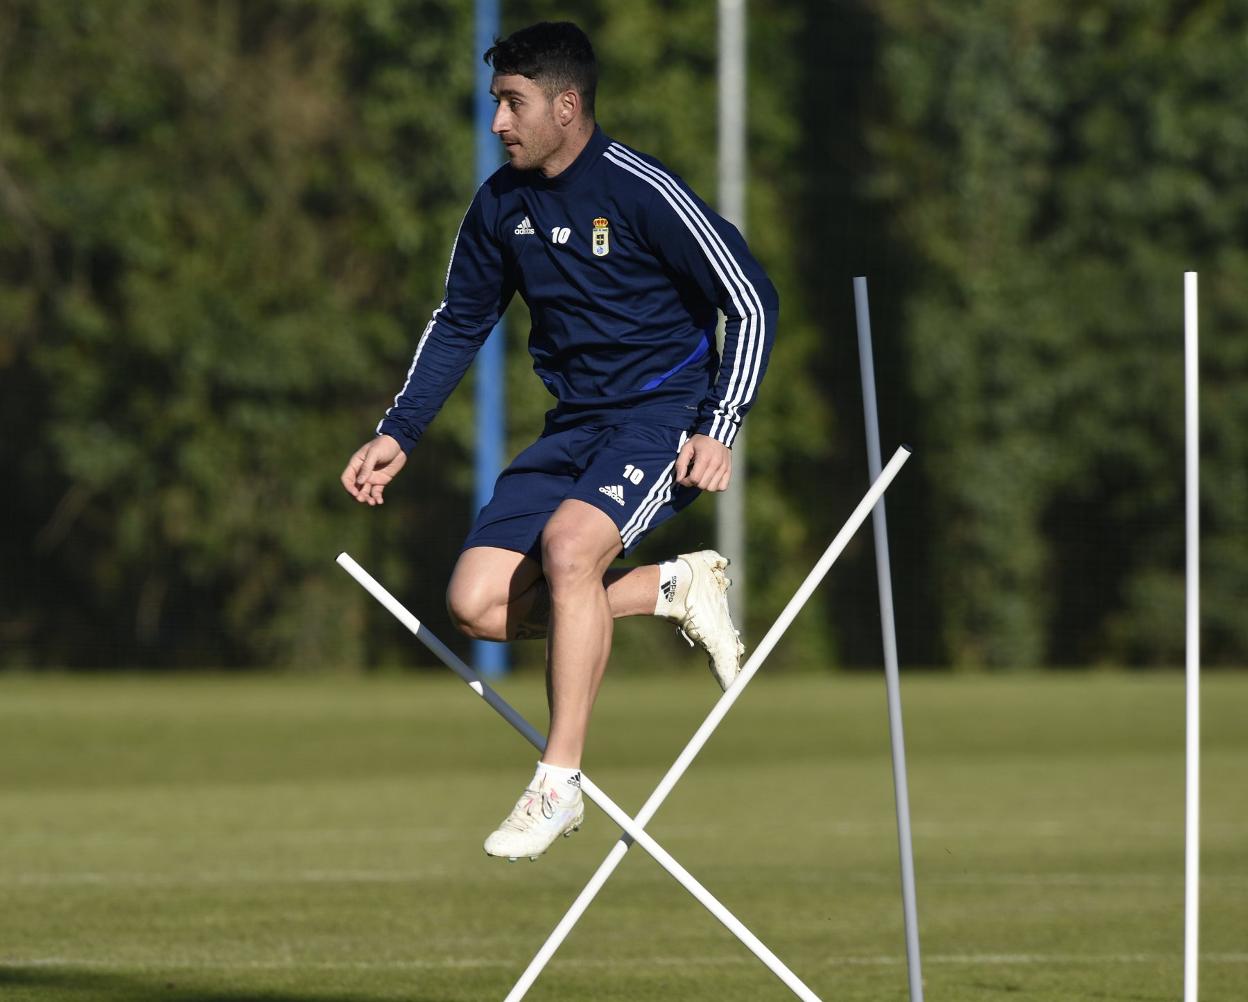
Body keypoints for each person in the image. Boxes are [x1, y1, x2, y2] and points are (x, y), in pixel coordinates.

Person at [340, 21, 778, 861]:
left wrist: (719, 425)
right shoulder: (499, 204)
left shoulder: (643, 191)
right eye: (496, 102)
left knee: (571, 551)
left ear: (567, 107)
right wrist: (400, 432)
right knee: (476, 605)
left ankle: (558, 782)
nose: (497, 122)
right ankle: (669, 587)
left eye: (513, 103)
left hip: (660, 417)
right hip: (573, 426)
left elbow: (752, 300)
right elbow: (460, 320)